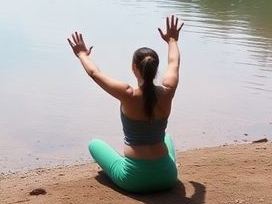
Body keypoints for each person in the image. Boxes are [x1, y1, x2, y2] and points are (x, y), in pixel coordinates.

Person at [66, 15, 184, 193]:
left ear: (134, 67)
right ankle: (162, 166)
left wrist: (81, 54)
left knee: (94, 144)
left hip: (134, 180)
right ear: (155, 68)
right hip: (168, 177)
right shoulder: (168, 91)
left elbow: (94, 73)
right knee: (167, 138)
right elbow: (174, 62)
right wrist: (172, 40)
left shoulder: (128, 95)